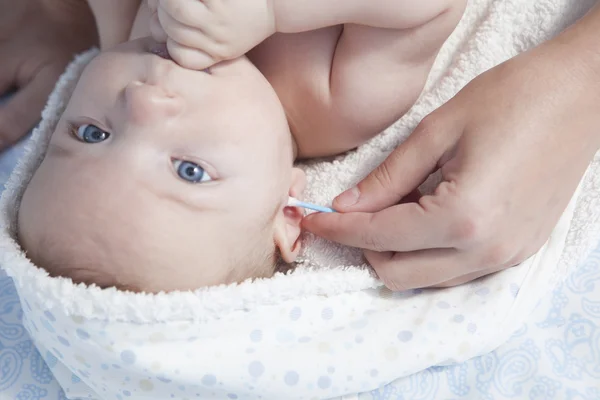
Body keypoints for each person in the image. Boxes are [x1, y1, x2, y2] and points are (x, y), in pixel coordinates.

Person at [16, 0, 465, 293]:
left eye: (93, 133)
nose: (143, 101)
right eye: (188, 170)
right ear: (288, 212)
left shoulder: (131, 43)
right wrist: (274, 10)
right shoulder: (338, 100)